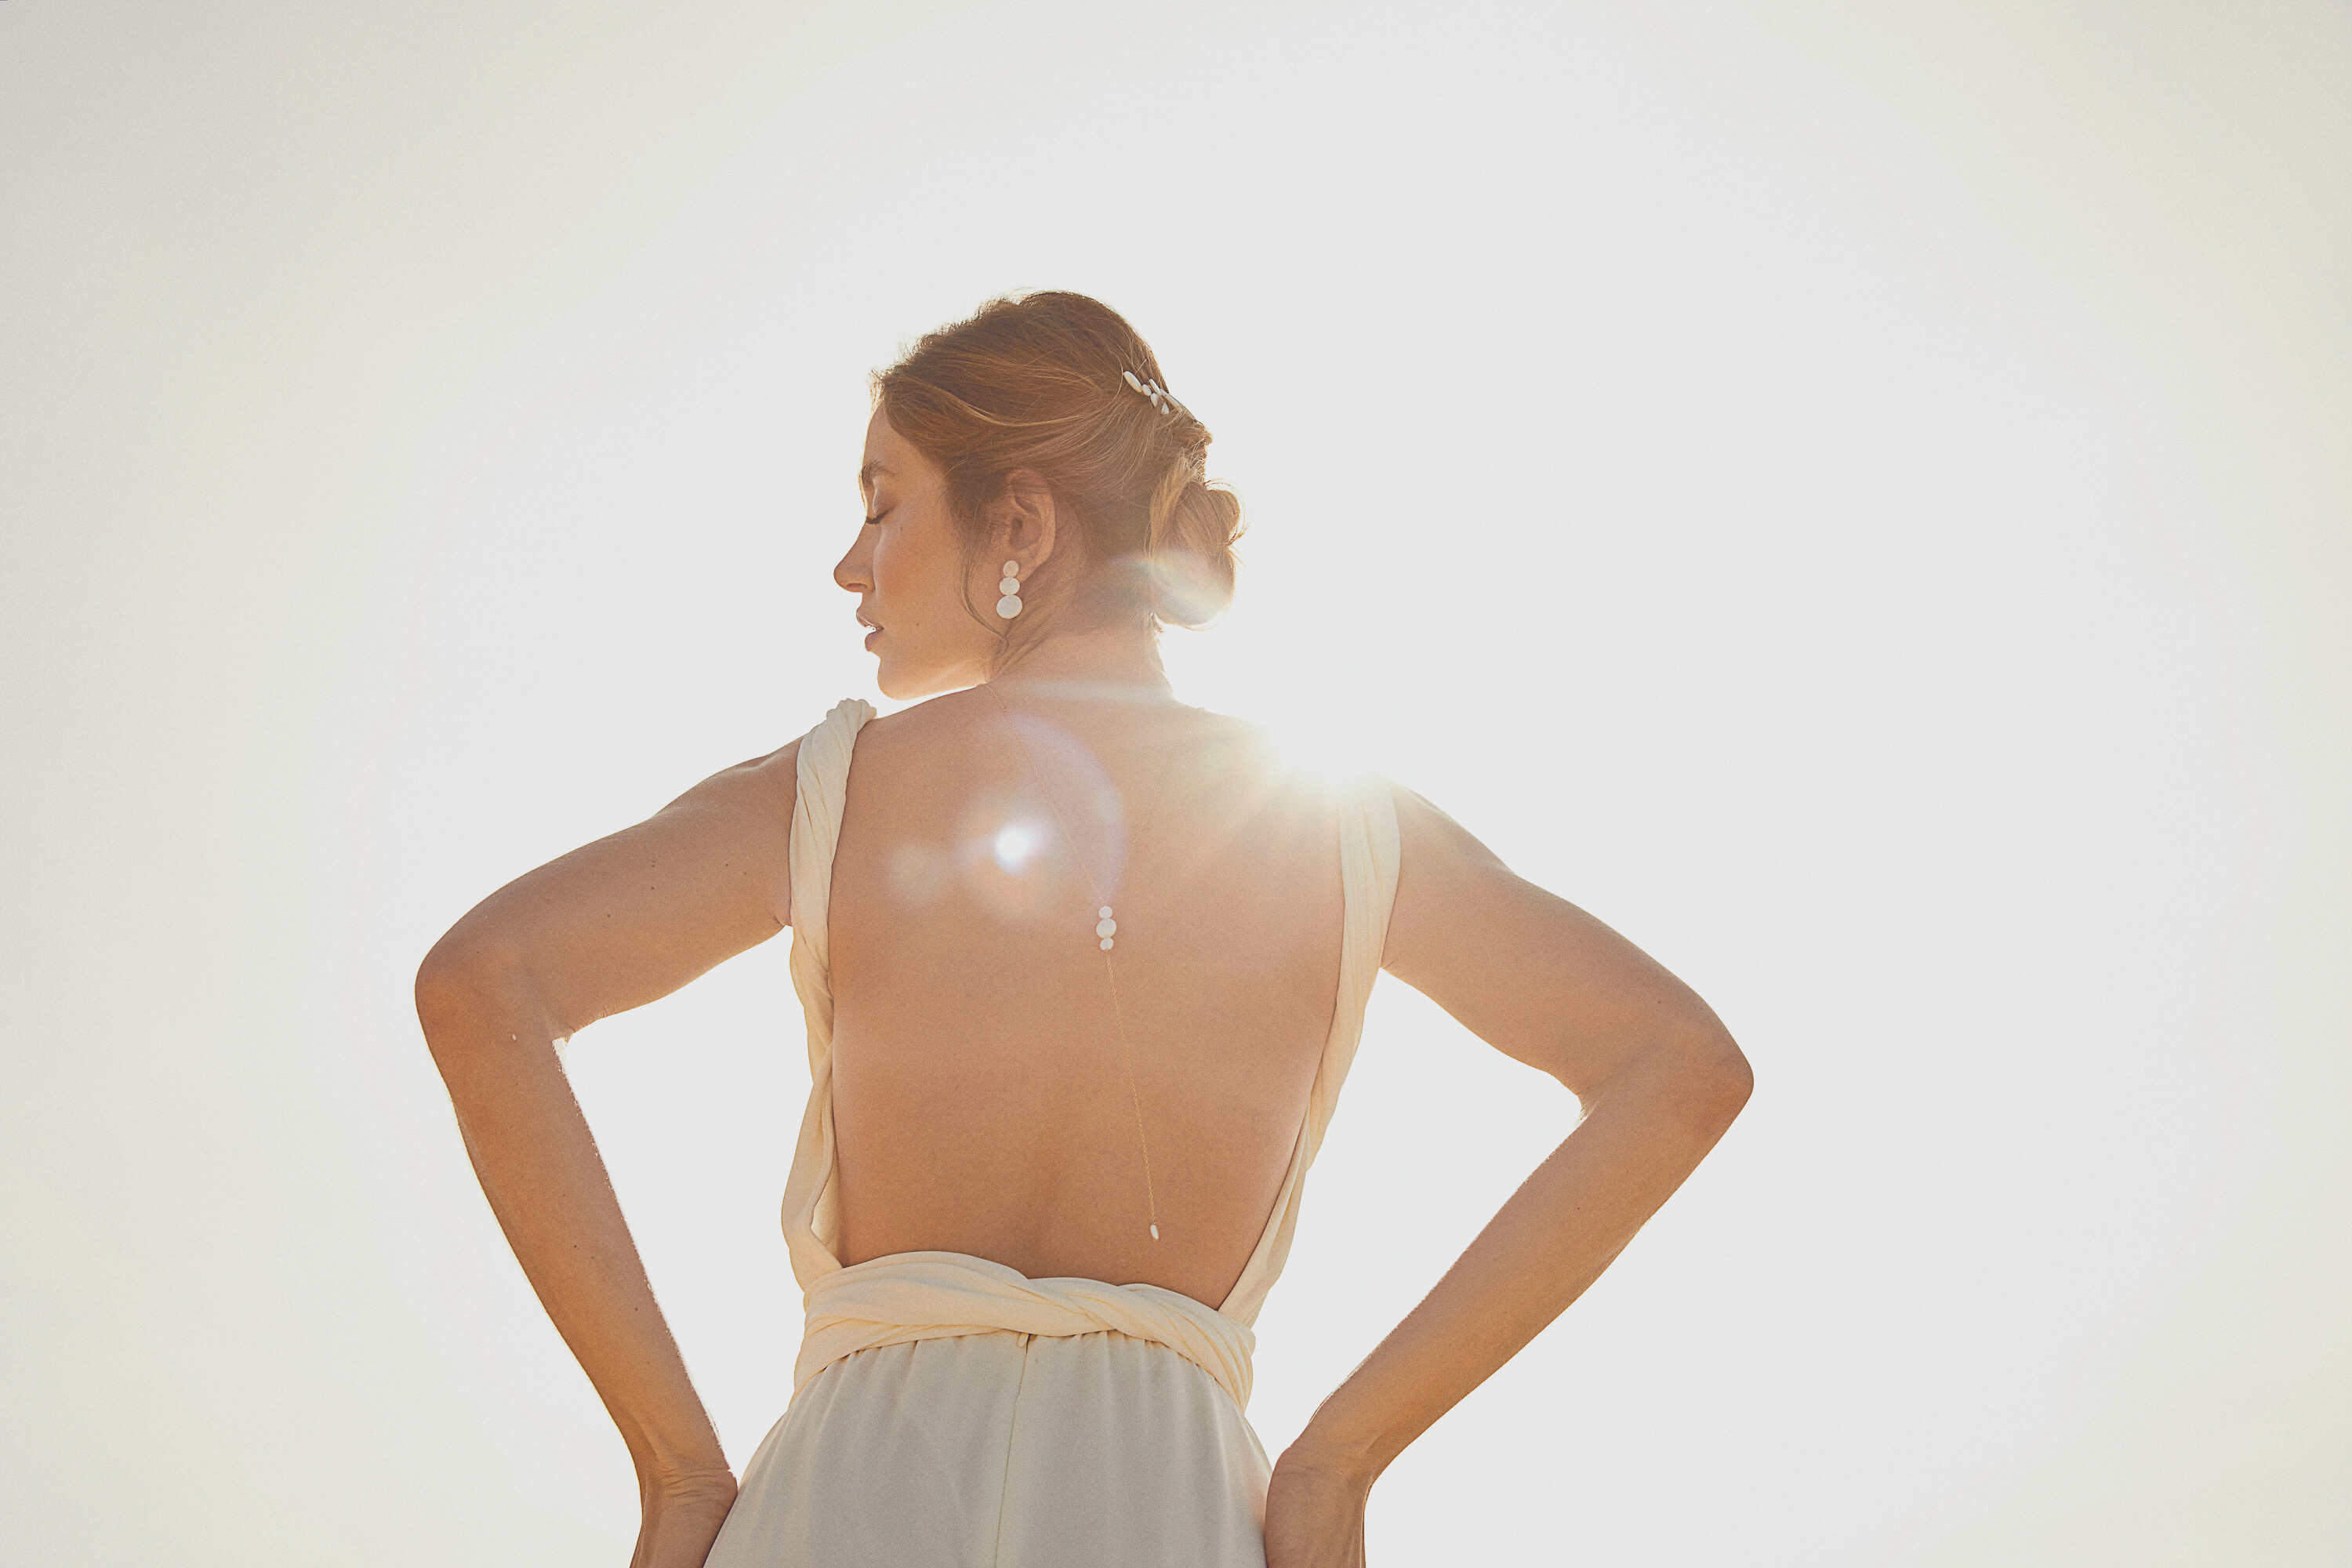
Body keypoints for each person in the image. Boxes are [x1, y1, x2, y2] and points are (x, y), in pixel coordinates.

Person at [414, 291, 1753, 1568]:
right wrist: (1340, 1461)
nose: (849, 563)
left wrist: (680, 1472)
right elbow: (1676, 1064)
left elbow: (486, 981)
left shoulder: (835, 789)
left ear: (1023, 524)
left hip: (850, 1492)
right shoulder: (1343, 825)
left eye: (883, 506)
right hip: (1167, 1503)